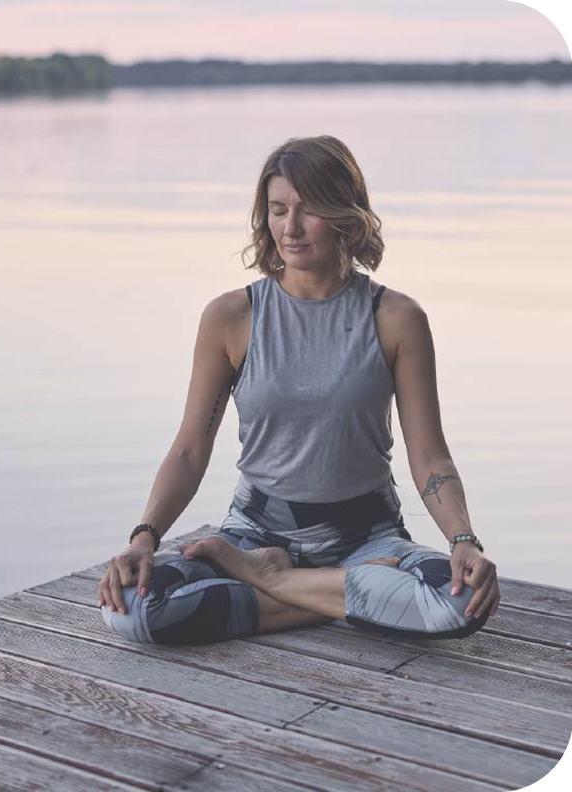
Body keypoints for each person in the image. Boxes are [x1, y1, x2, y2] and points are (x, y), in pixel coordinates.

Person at [98, 135, 501, 646]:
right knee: (132, 609)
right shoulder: (231, 318)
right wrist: (144, 538)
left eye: (308, 210)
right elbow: (188, 449)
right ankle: (348, 599)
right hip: (255, 532)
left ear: (346, 216)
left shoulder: (397, 319)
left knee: (464, 601)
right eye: (277, 210)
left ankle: (273, 580)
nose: (290, 228)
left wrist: (462, 540)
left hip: (367, 537)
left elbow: (430, 456)